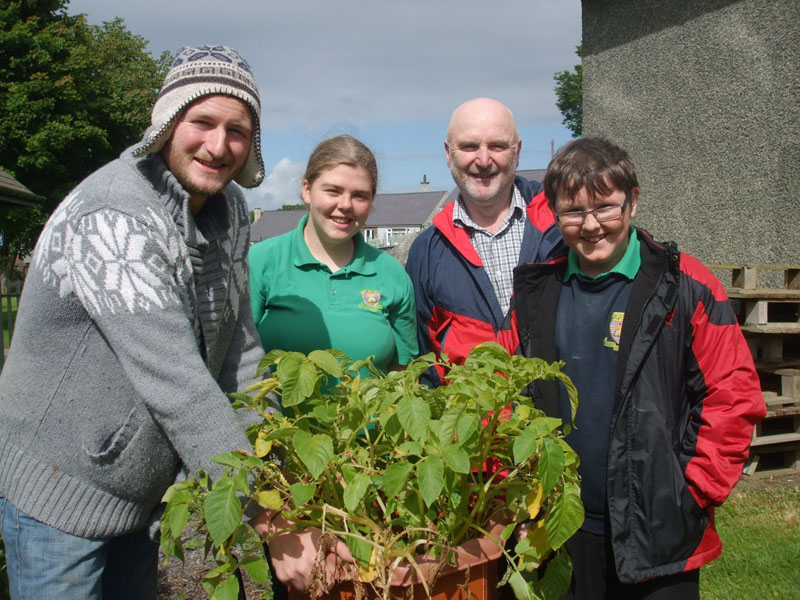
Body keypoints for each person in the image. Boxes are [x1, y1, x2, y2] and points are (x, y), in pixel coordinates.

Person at [0, 45, 326, 599]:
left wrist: (283, 478)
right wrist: (273, 523)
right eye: (202, 122)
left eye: (237, 130)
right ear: (168, 121)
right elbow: (178, 382)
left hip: (137, 491)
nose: (218, 146)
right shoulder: (115, 215)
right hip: (60, 488)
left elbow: (241, 356)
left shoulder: (227, 217)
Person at [512, 137, 766, 599]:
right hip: (560, 527)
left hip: (658, 530)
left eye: (605, 207)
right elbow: (512, 397)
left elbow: (733, 395)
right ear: (552, 211)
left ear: (633, 200)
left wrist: (691, 494)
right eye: (573, 211)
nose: (590, 226)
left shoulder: (684, 285)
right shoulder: (536, 292)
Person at [405, 98, 561, 386]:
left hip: (557, 425)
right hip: (473, 428)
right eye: (469, 146)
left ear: (518, 151)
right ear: (448, 154)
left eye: (498, 146)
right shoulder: (427, 251)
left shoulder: (561, 224)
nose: (484, 160)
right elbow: (425, 365)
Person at [249, 135, 418, 374]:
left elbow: (403, 374)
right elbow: (236, 361)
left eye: (360, 195)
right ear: (307, 190)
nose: (346, 205)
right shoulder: (261, 262)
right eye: (333, 191)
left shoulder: (391, 273)